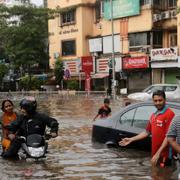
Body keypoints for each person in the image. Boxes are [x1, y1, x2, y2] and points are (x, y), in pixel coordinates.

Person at [119, 90, 175, 167]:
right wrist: (131, 139)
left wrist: (158, 153)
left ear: (165, 100)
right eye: (155, 101)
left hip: (165, 154)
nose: (158, 103)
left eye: (160, 100)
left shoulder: (169, 114)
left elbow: (168, 137)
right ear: (153, 101)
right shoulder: (154, 115)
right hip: (155, 153)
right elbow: (147, 132)